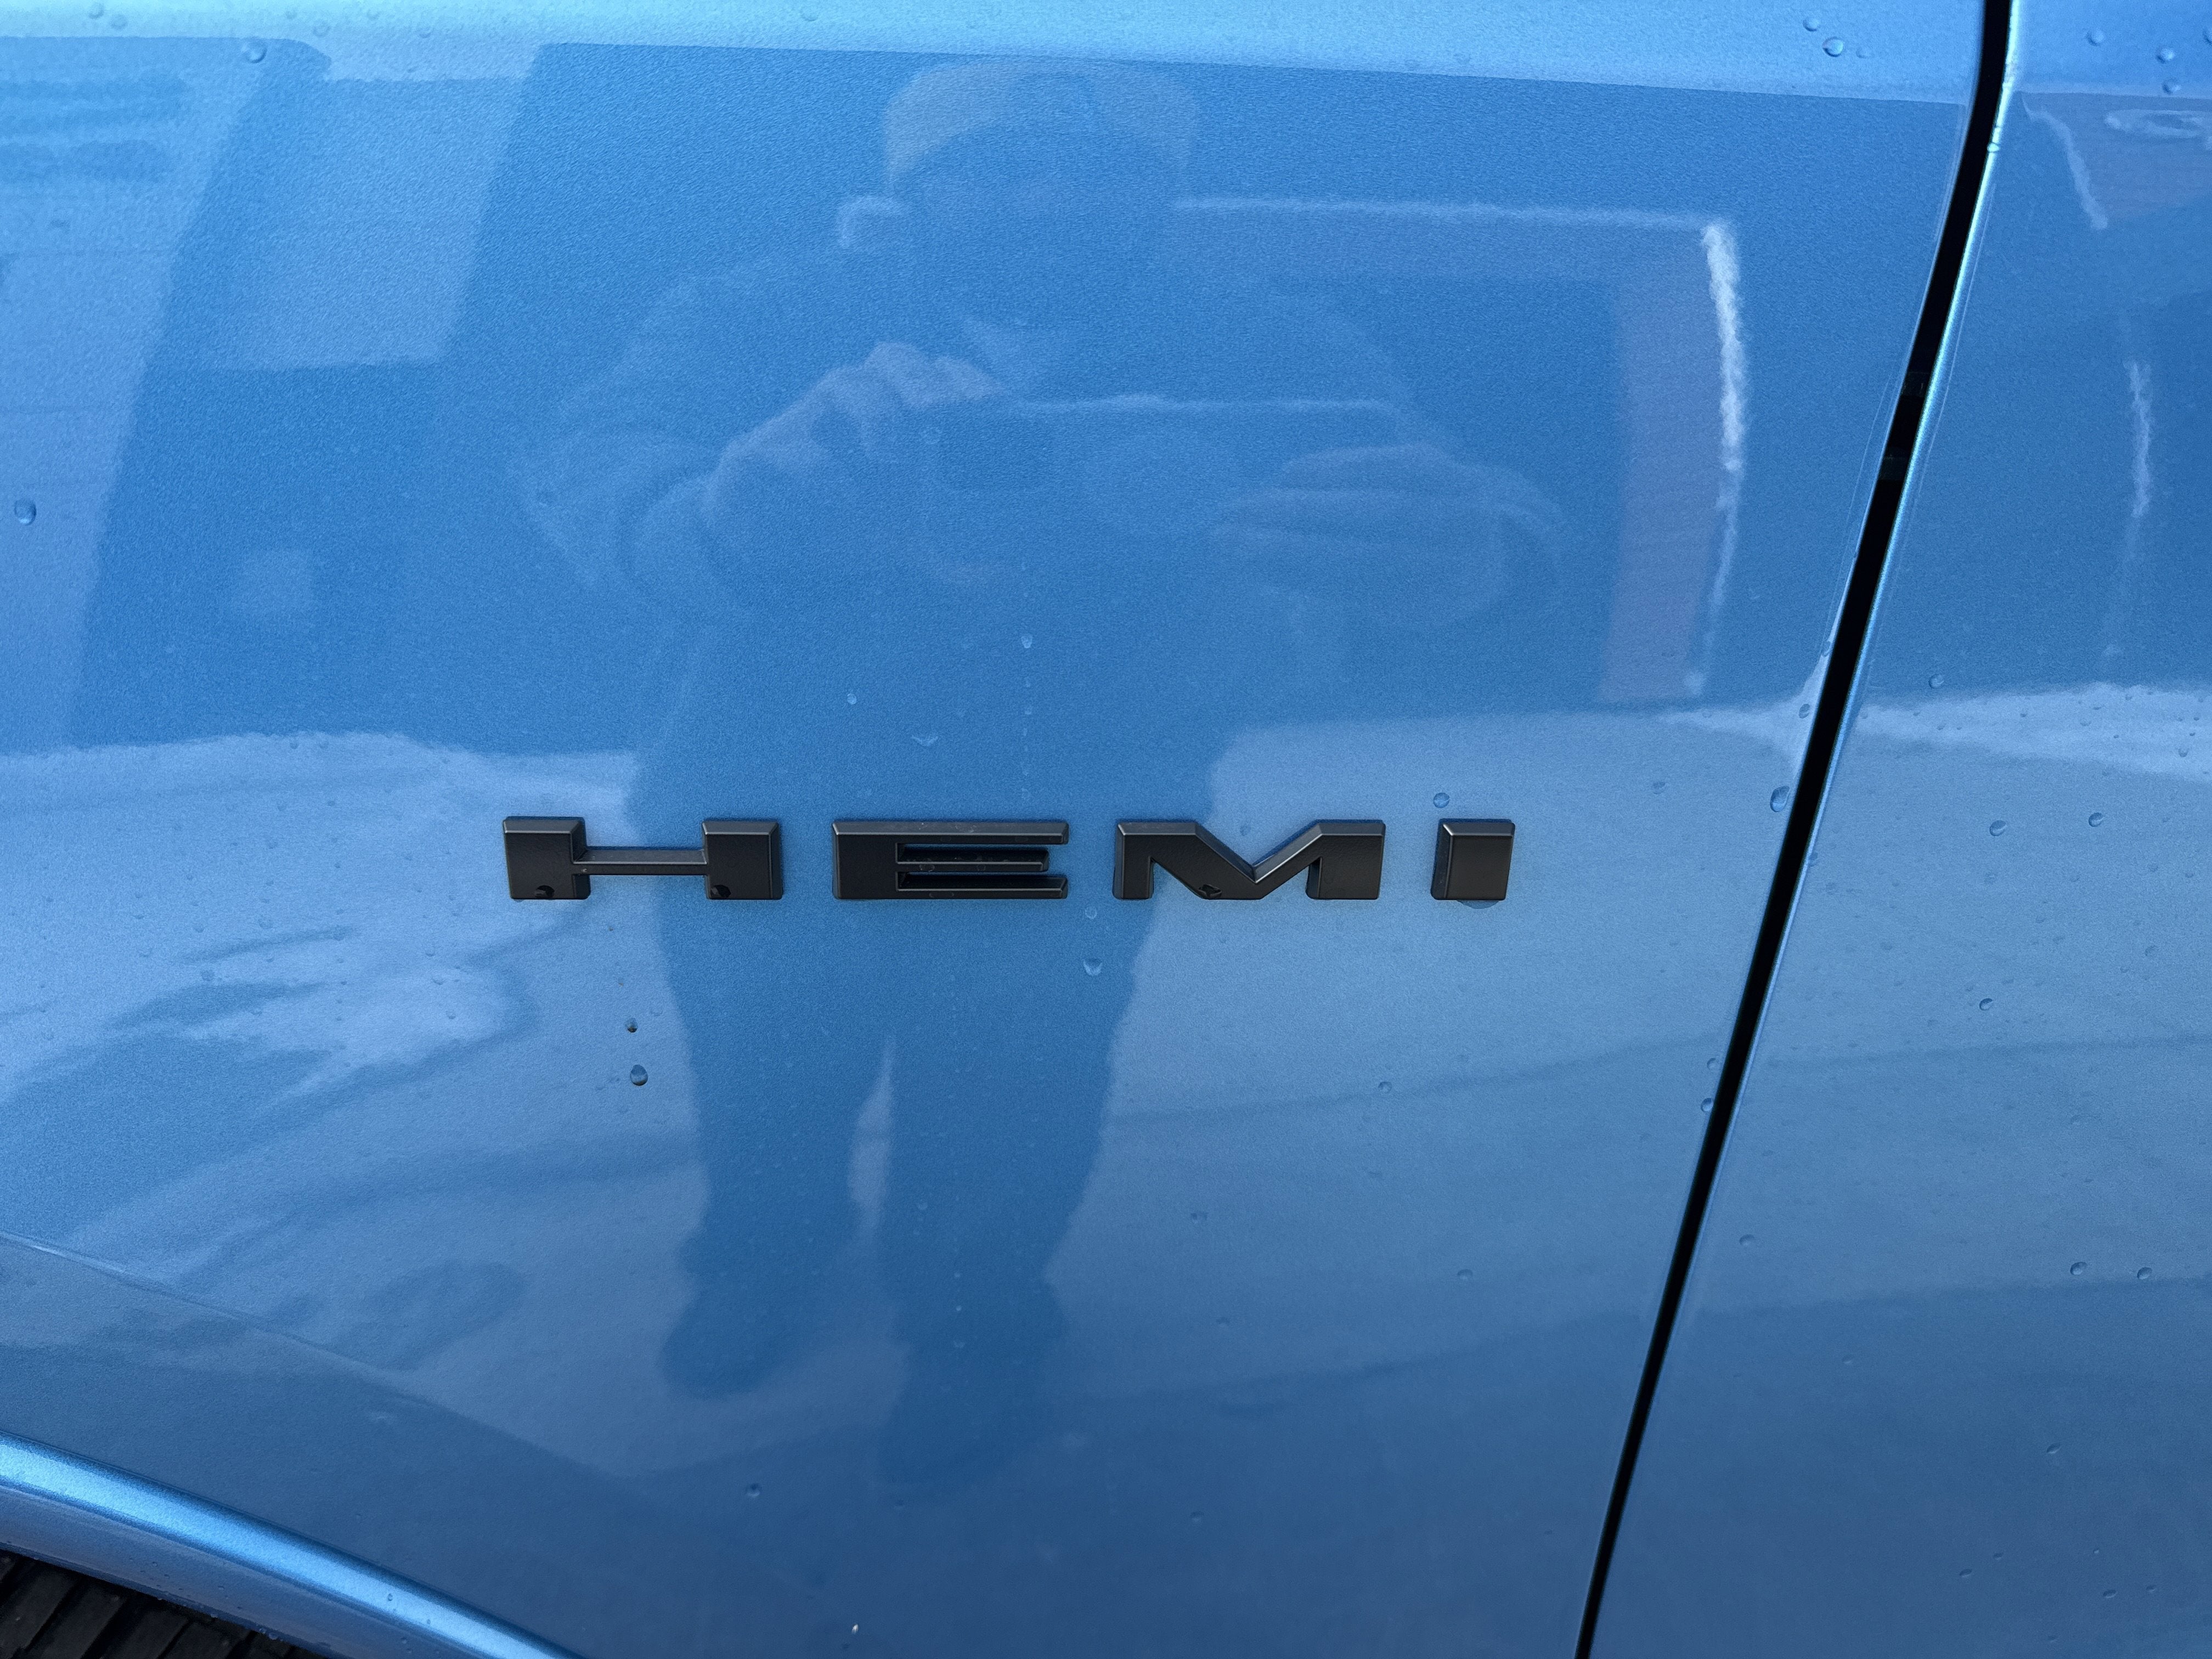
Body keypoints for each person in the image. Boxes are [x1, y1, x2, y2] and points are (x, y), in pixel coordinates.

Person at [529, 58, 1533, 1486]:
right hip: (767, 793)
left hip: (1077, 803)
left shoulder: (1260, 337)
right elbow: (593, 457)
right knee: (759, 1066)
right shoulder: (762, 312)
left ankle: (973, 1327)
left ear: (1162, 197)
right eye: (993, 169)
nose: (1047, 198)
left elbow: (1445, 480)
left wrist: (1478, 556)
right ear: (912, 189)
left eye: (1102, 172)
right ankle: (762, 1255)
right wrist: (709, 519)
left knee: (1019, 1089)